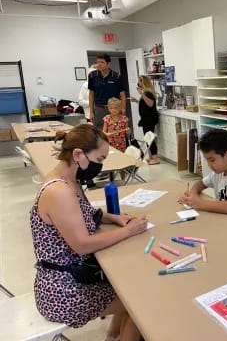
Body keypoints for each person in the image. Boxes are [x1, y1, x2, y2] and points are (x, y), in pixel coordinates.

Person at [30, 124, 146, 341]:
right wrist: (129, 231)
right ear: (78, 155)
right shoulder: (59, 191)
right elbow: (82, 244)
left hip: (69, 277)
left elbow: (87, 213)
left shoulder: (69, 180)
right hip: (62, 290)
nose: (100, 166)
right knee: (139, 302)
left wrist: (115, 218)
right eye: (100, 159)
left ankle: (112, 337)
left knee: (127, 289)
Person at [178, 129, 227, 219]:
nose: (209, 165)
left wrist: (199, 203)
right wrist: (193, 194)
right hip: (226, 219)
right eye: (207, 160)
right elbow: (200, 184)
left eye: (212, 160)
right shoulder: (218, 172)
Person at [88, 53, 127, 130]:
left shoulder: (117, 76)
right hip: (99, 109)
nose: (99, 64)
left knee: (116, 132)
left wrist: (123, 109)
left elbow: (122, 95)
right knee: (100, 133)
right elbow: (91, 94)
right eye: (98, 62)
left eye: (102, 62)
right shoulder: (92, 76)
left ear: (108, 64)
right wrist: (91, 112)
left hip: (114, 109)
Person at [130, 76, 160, 165]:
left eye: (140, 81)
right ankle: (151, 157)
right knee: (147, 138)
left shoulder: (148, 93)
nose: (138, 83)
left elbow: (150, 104)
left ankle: (155, 158)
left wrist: (142, 94)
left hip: (149, 119)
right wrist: (136, 100)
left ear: (145, 82)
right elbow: (145, 104)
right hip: (146, 119)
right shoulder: (146, 93)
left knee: (150, 139)